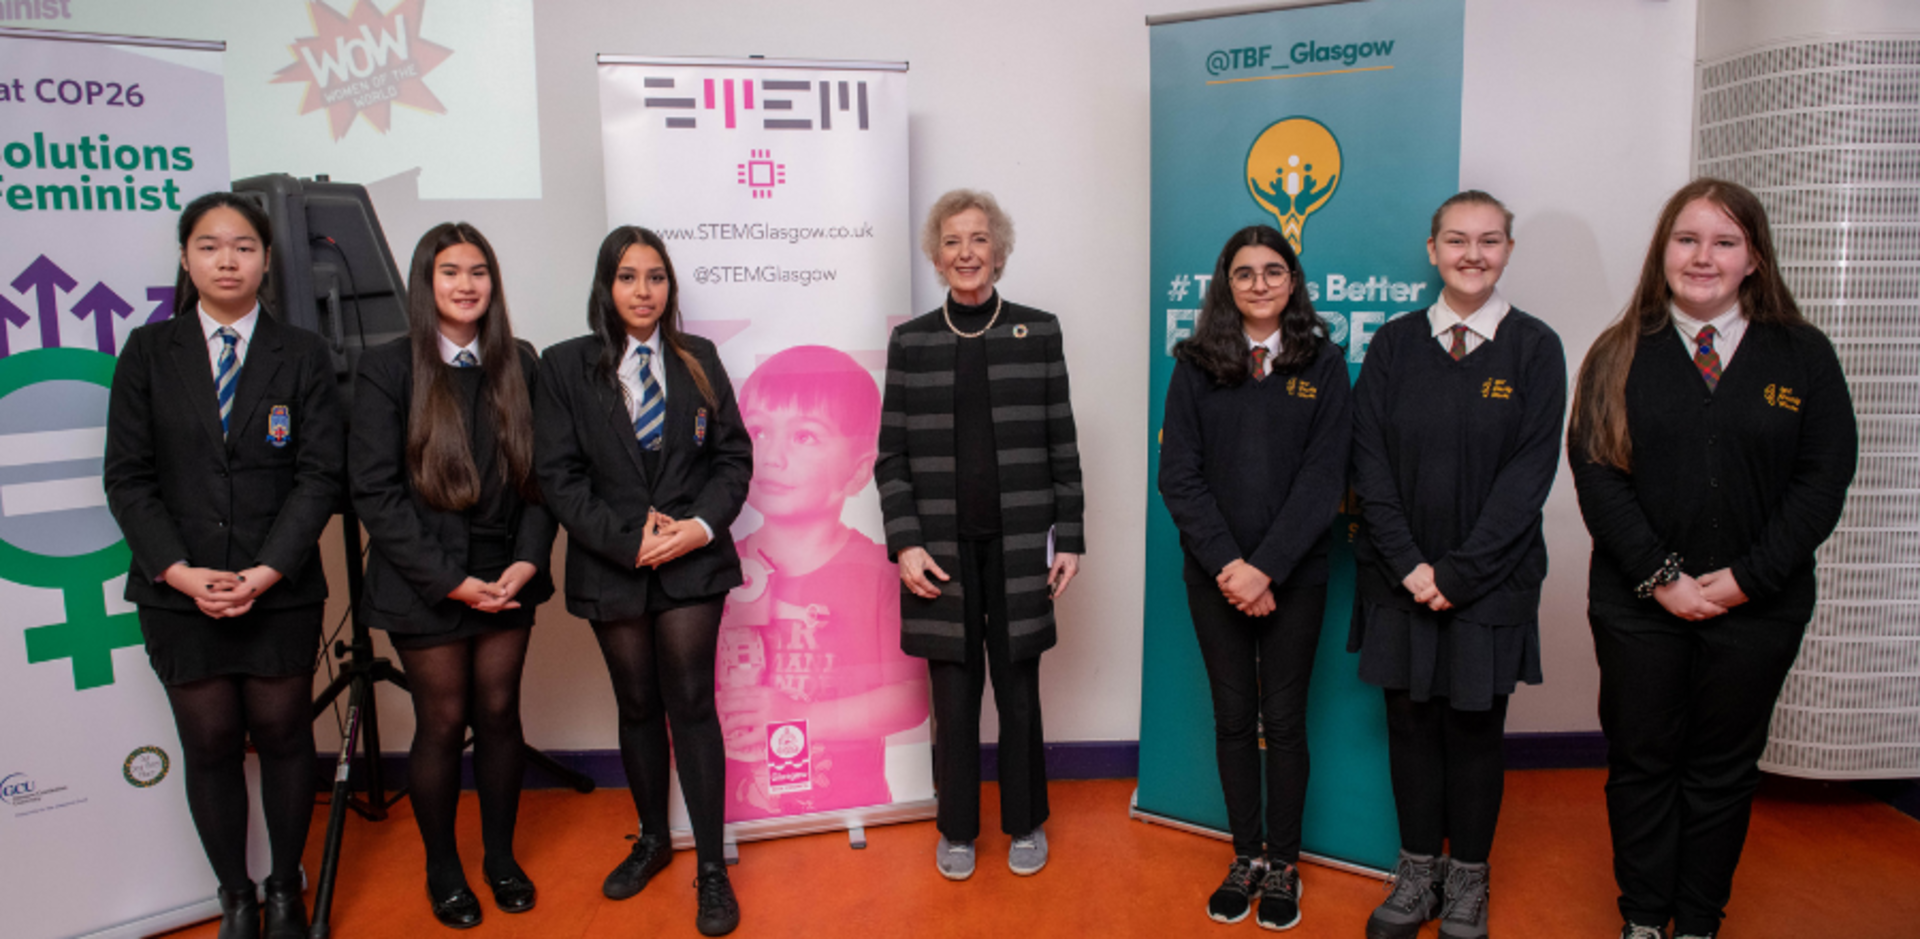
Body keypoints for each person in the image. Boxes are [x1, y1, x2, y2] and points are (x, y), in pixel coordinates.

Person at [1569, 178, 1856, 939]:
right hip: (1638, 608)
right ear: (1663, 252)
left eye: (1725, 242)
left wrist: (1747, 580)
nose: (1704, 257)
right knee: (1642, 763)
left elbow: (1823, 479)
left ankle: (1696, 920)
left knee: (1723, 771)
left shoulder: (1804, 356)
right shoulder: (1617, 351)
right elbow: (1597, 476)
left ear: (1754, 258)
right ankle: (1641, 917)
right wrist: (1663, 579)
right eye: (1687, 239)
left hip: (1759, 610)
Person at [103, 191, 345, 939]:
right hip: (180, 592)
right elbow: (128, 478)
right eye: (210, 245)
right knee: (208, 743)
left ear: (268, 259)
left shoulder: (302, 353)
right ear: (186, 258)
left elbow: (319, 476)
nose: (228, 259)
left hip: (281, 587)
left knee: (283, 736)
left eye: (243, 245)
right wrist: (179, 571)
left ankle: (283, 888)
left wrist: (267, 570)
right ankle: (235, 894)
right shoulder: (148, 353)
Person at [1349, 191, 1566, 939]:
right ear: (1432, 247)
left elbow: (1528, 478)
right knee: (1409, 727)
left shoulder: (1536, 347)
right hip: (1397, 579)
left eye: (1489, 239)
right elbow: (1367, 462)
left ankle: (1468, 880)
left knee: (1476, 730)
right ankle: (1416, 877)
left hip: (1492, 585)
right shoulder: (1394, 343)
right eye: (1456, 239)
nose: (1472, 253)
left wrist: (1459, 574)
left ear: (1507, 249)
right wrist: (1412, 566)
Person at [533, 225, 751, 937]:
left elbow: (732, 460)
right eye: (628, 277)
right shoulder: (566, 367)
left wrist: (697, 528)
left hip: (693, 559)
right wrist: (630, 543)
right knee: (636, 704)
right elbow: (557, 476)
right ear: (606, 285)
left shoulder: (699, 359)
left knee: (691, 702)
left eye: (655, 277)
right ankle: (653, 839)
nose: (643, 291)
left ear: (670, 287)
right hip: (612, 564)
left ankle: (712, 868)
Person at [349, 222, 557, 928]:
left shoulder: (520, 362)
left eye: (478, 271)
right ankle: (444, 866)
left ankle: (500, 856)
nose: (466, 284)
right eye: (449, 271)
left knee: (499, 714)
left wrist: (527, 563)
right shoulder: (387, 367)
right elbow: (374, 492)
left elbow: (542, 478)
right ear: (424, 282)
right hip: (423, 580)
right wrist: (450, 581)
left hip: (507, 572)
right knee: (442, 720)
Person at [876, 188, 1085, 881]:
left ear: (999, 249)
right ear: (937, 257)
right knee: (954, 695)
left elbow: (1062, 441)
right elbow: (892, 458)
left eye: (979, 239)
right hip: (940, 552)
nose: (967, 253)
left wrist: (1073, 535)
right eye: (953, 241)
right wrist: (905, 542)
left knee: (1019, 690)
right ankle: (957, 828)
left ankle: (1025, 821)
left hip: (1022, 545)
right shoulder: (912, 342)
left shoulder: (1039, 329)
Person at [1158, 225, 1352, 930]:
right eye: (1245, 273)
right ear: (1226, 284)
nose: (1260, 284)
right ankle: (1247, 856)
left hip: (1295, 577)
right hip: (1215, 577)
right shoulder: (1196, 364)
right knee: (1234, 719)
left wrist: (1265, 566)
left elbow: (1324, 477)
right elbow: (1178, 475)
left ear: (1293, 281)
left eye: (1274, 271)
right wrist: (1231, 567)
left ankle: (1286, 863)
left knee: (1286, 721)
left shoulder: (1323, 363)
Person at [715, 345, 930, 820]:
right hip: (736, 817)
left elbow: (911, 700)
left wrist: (797, 716)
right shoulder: (718, 568)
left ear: (857, 471)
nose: (771, 455)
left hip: (852, 814)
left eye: (806, 437)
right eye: (759, 431)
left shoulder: (881, 572)